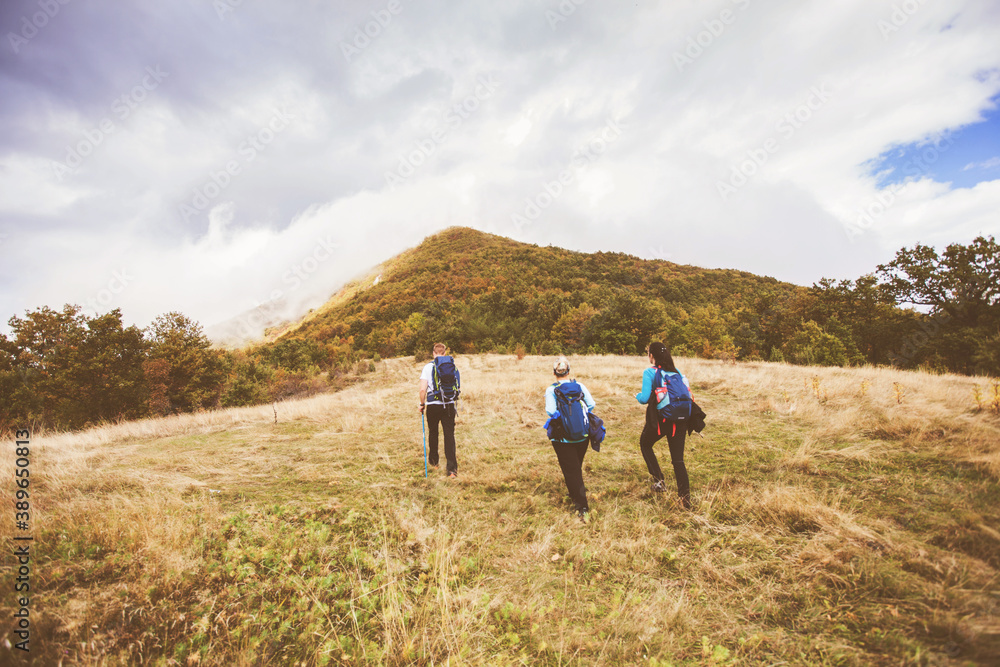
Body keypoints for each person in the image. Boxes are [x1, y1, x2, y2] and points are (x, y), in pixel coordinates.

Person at [636, 342, 692, 509]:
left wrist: (637, 396)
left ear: (652, 356)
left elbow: (645, 398)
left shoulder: (649, 372)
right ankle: (685, 499)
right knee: (678, 460)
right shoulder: (676, 371)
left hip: (662, 420)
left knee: (645, 444)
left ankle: (659, 481)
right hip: (680, 420)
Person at [545, 356, 596, 522]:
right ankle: (574, 494)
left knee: (571, 470)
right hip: (583, 434)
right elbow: (592, 404)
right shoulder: (579, 386)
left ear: (554, 373)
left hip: (563, 438)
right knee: (575, 467)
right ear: (569, 371)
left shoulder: (551, 390)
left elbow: (551, 411)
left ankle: (582, 508)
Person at [418, 343, 459, 477]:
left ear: (434, 353)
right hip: (448, 404)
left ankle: (434, 463)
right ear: (445, 353)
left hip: (433, 405)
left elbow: (422, 389)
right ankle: (452, 469)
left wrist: (422, 404)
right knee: (449, 435)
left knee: (433, 433)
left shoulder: (428, 367)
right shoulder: (452, 366)